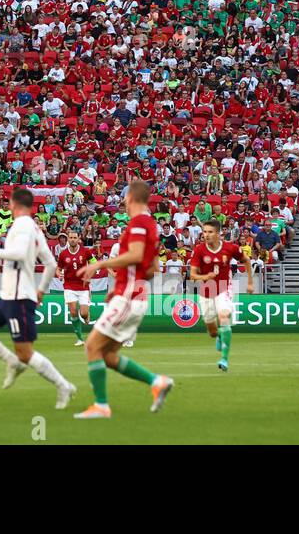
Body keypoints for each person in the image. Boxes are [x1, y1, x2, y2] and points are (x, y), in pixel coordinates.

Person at [0, 186, 77, 409]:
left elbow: (19, 255)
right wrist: (41, 290)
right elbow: (51, 263)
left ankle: (64, 385)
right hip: (8, 296)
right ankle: (11, 361)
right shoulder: (33, 228)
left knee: (26, 353)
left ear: (14, 205)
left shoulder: (23, 225)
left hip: (18, 300)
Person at [72, 179, 174, 419]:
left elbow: (137, 255)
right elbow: (151, 269)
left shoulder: (139, 223)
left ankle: (101, 405)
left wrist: (102, 263)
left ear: (130, 198)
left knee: (92, 346)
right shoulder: (150, 225)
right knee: (107, 355)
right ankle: (156, 381)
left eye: (124, 197)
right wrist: (120, 285)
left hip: (129, 297)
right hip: (132, 295)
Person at [189, 219, 248, 372]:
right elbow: (193, 275)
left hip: (224, 288)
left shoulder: (230, 248)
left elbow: (246, 260)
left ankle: (224, 358)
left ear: (218, 233)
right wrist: (205, 277)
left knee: (224, 316)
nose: (206, 235)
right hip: (206, 292)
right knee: (212, 331)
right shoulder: (199, 250)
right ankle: (219, 336)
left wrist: (250, 283)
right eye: (204, 232)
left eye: (210, 232)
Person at [56, 231, 94, 346]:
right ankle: (80, 338)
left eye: (74, 238)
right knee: (73, 312)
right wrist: (58, 274)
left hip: (83, 286)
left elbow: (94, 262)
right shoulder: (63, 254)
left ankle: (87, 314)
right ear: (68, 239)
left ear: (78, 239)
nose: (72, 239)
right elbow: (58, 268)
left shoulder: (85, 251)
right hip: (69, 286)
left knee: (83, 314)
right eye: (70, 238)